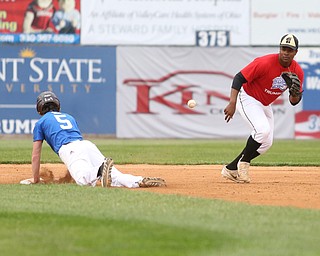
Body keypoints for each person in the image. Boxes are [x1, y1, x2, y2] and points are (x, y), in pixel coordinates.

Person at [26, 91, 166, 188]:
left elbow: (35, 155)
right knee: (115, 176)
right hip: (86, 145)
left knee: (82, 180)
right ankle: (139, 180)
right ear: (57, 105)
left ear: (39, 108)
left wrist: (36, 179)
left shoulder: (41, 123)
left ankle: (100, 170)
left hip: (69, 149)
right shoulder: (69, 117)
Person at [221, 34, 304, 183]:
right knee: (262, 131)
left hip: (264, 104)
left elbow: (294, 102)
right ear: (279, 49)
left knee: (266, 143)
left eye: (290, 50)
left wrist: (295, 92)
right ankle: (244, 164)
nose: (286, 52)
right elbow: (239, 77)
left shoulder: (297, 71)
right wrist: (232, 102)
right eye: (283, 48)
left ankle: (231, 168)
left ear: (295, 52)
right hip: (248, 97)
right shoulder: (264, 62)